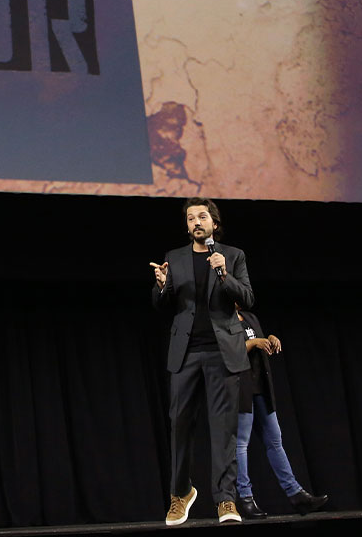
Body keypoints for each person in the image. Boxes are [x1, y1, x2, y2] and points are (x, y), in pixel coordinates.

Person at [150, 198, 253, 526]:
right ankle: (181, 494)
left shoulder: (233, 256)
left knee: (223, 430)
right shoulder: (174, 258)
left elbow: (247, 298)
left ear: (214, 223)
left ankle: (225, 499)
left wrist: (224, 274)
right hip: (186, 353)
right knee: (179, 425)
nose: (196, 222)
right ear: (187, 226)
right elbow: (162, 305)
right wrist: (162, 287)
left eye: (202, 216)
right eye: (191, 218)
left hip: (223, 353)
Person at [233, 307, 329, 518]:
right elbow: (228, 352)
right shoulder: (220, 319)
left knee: (275, 441)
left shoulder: (250, 317)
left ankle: (296, 495)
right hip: (241, 389)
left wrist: (269, 338)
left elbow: (258, 339)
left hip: (261, 388)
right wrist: (253, 343)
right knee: (241, 444)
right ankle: (245, 498)